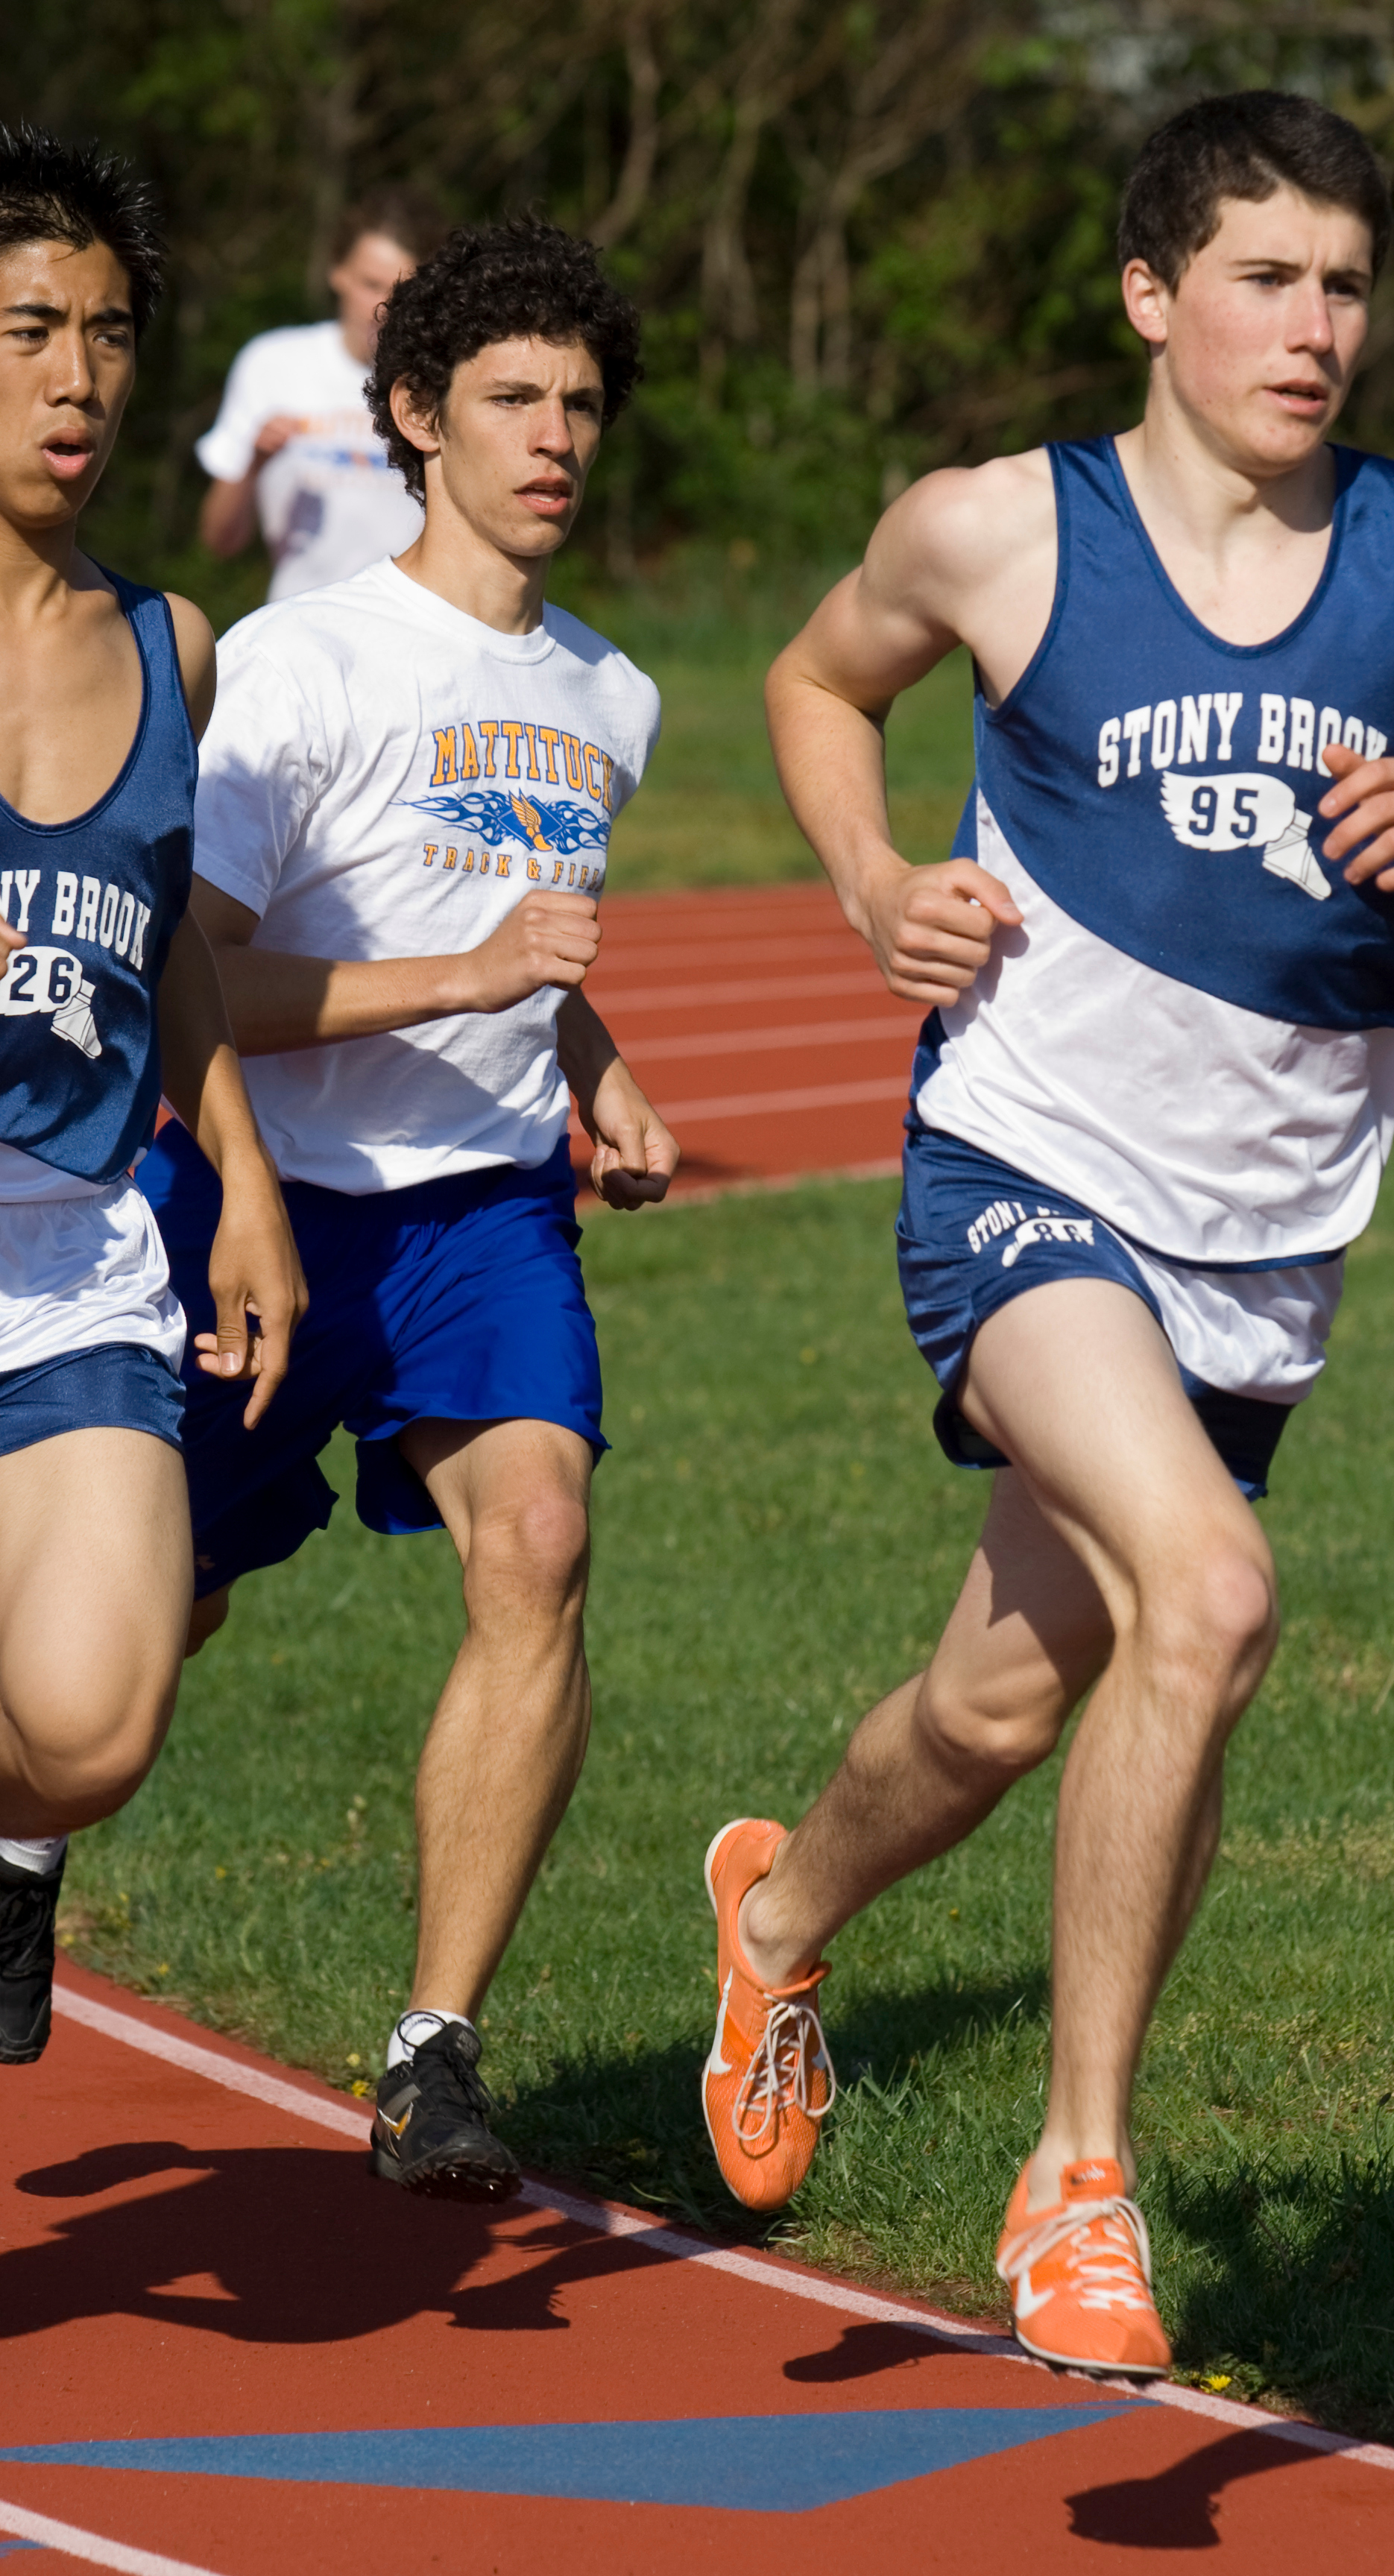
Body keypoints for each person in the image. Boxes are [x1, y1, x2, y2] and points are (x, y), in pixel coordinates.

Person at [701, 91, 1394, 2375]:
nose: (1316, 330)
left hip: (1266, 1235)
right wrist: (871, 881)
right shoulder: (1000, 529)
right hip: (1024, 1164)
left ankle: (779, 1917)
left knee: (1005, 1701)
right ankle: (1080, 2185)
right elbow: (816, 680)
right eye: (1265, 279)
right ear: (1150, 294)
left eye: (1347, 285)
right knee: (1206, 1596)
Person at [139, 215, 678, 2202]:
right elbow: (193, 972)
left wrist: (594, 1061)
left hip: (483, 1220)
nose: (554, 439)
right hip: (264, 1204)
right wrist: (470, 977)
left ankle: (434, 2052)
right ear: (416, 419)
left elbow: (532, 935)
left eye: (581, 405)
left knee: (538, 1542)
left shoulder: (612, 694)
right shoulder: (298, 662)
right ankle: (24, 1844)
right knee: (144, 1623)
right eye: (512, 399)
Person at [0, 124, 305, 2064]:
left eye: (108, 335)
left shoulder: (166, 641)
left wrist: (247, 1184)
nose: (79, 380)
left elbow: (167, 935)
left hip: (80, 1251)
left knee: (96, 1728)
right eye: (30, 329)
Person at [196, 189, 446, 601]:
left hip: (417, 622)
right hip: (300, 621)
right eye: (371, 284)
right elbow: (220, 542)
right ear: (337, 271)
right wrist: (254, 463)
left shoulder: (441, 381)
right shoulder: (272, 362)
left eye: (402, 291)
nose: (384, 307)